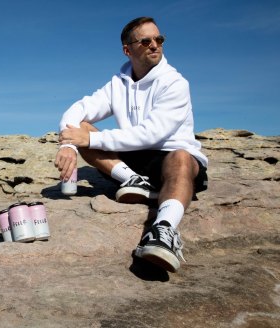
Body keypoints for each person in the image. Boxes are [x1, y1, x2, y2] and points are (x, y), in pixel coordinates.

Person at [54, 17, 208, 273]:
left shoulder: (175, 83)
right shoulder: (118, 83)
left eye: (159, 39)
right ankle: (134, 181)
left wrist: (90, 139)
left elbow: (153, 134)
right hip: (135, 161)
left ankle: (163, 231)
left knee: (180, 156)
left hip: (174, 161)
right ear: (128, 49)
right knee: (81, 127)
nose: (154, 45)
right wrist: (69, 145)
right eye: (145, 41)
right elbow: (79, 109)